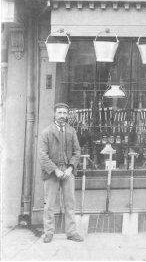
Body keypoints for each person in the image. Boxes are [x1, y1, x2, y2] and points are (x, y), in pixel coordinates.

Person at [38, 103, 84, 243]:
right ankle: (48, 232)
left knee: (70, 203)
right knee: (49, 204)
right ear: (54, 114)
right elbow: (42, 155)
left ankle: (71, 232)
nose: (62, 116)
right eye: (59, 113)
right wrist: (56, 170)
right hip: (52, 172)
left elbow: (77, 152)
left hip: (68, 171)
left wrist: (70, 168)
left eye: (65, 113)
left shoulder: (72, 131)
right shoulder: (46, 132)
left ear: (68, 114)